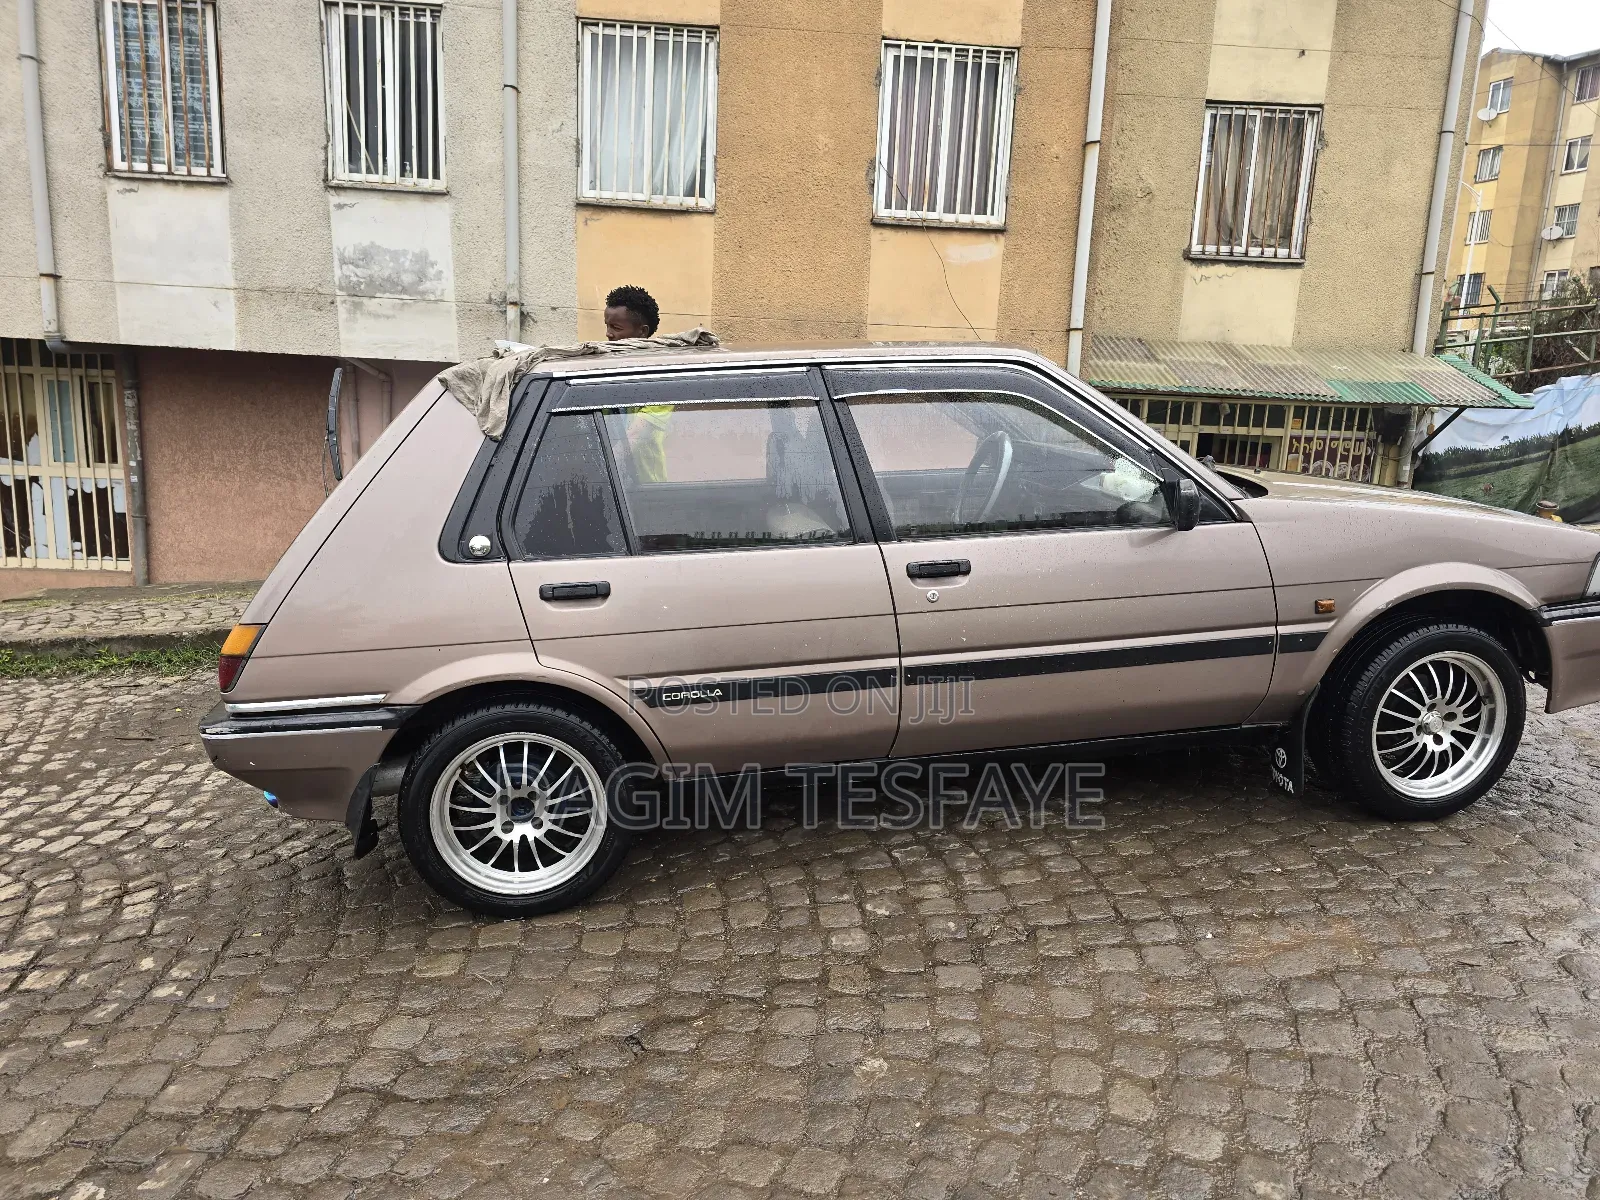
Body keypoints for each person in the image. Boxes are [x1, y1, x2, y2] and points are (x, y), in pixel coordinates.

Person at [604, 285, 670, 480]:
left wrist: (599, 469)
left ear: (642, 332)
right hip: (615, 484)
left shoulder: (661, 377)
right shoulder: (606, 370)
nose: (608, 334)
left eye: (616, 328)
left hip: (646, 489)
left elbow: (635, 435)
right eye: (606, 326)